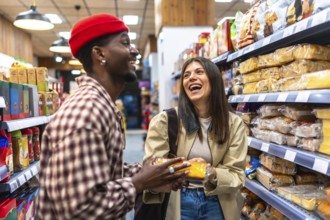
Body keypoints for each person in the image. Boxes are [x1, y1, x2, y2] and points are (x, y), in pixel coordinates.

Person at [36, 14, 190, 219]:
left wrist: (151, 173)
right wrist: (140, 182)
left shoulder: (101, 106)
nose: (134, 50)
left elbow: (101, 170)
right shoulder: (85, 113)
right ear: (100, 54)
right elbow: (80, 209)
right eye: (125, 43)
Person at [143, 57, 248, 220]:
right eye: (186, 75)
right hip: (178, 201)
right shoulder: (165, 121)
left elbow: (237, 175)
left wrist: (211, 173)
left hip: (218, 202)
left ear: (214, 80)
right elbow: (152, 169)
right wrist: (185, 168)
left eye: (199, 72)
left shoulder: (233, 124)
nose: (191, 77)